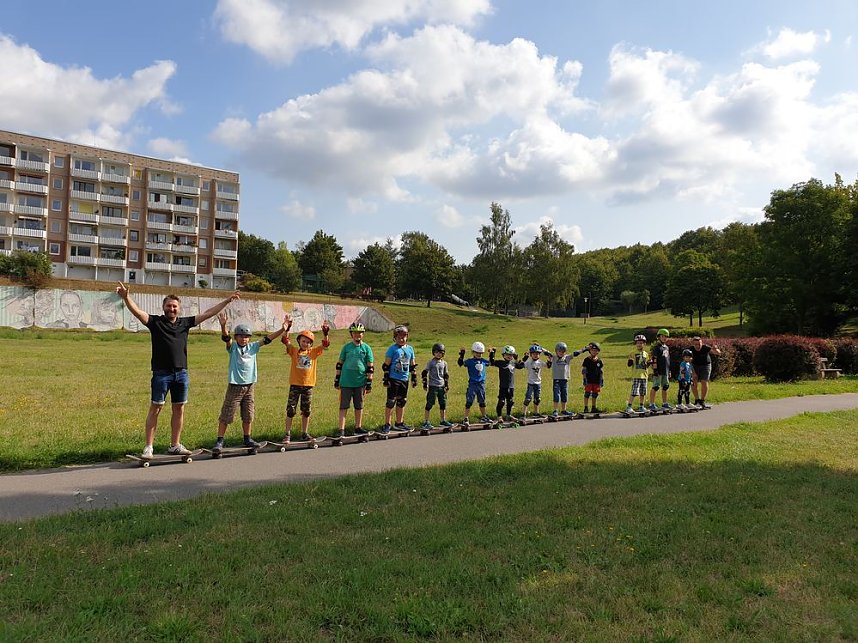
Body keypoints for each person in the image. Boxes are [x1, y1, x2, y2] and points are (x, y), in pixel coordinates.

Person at [115, 281, 239, 457]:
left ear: (178, 309)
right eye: (168, 306)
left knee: (179, 408)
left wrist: (227, 301)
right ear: (163, 307)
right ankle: (149, 447)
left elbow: (208, 313)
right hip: (161, 374)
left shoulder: (184, 323)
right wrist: (127, 298)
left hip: (181, 374)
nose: (171, 309)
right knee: (155, 408)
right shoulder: (155, 322)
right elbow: (137, 312)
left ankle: (175, 444)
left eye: (174, 306)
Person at [212, 313, 287, 453]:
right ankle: (219, 440)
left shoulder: (253, 347)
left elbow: (267, 339)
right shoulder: (233, 347)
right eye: (241, 336)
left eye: (246, 336)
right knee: (227, 414)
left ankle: (247, 438)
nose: (244, 339)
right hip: (235, 386)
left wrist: (282, 329)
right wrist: (223, 326)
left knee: (248, 414)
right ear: (236, 337)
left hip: (250, 385)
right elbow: (226, 339)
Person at [282, 314, 330, 441]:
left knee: (306, 411)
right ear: (299, 341)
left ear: (311, 344)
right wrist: (287, 329)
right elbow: (285, 341)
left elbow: (325, 345)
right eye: (303, 341)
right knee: (291, 410)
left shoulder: (313, 352)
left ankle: (304, 433)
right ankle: (287, 434)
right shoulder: (293, 351)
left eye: (308, 342)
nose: (306, 343)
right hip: (295, 385)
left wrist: (325, 333)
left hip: (308, 385)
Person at [335, 321, 374, 437]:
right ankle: (341, 429)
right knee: (343, 406)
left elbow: (370, 367)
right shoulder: (346, 347)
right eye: (355, 333)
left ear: (363, 334)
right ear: (351, 334)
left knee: (359, 406)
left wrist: (369, 382)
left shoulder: (367, 348)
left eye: (360, 333)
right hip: (346, 382)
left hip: (360, 382)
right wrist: (337, 379)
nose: (358, 335)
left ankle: (358, 427)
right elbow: (339, 364)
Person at [382, 325, 417, 433]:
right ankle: (387, 424)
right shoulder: (392, 349)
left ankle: (399, 423)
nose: (401, 339)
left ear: (407, 337)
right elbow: (386, 365)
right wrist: (386, 378)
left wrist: (414, 378)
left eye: (403, 337)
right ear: (395, 338)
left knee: (402, 401)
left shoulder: (410, 349)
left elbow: (412, 365)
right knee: (391, 402)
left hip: (404, 379)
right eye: (399, 337)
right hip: (394, 378)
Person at [457, 341, 492, 426]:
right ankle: (466, 418)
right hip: (472, 384)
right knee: (469, 401)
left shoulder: (483, 361)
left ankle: (484, 417)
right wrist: (462, 354)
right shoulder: (469, 361)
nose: (479, 355)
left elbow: (491, 363)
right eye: (477, 353)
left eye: (480, 353)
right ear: (473, 352)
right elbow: (460, 364)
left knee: (482, 401)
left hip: (481, 384)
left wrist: (492, 353)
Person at [548, 341, 586, 417]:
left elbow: (575, 353)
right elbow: (546, 352)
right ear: (556, 351)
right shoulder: (554, 357)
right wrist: (540, 348)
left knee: (564, 395)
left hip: (565, 380)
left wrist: (584, 349)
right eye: (560, 351)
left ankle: (564, 410)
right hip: (557, 380)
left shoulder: (567, 357)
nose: (561, 353)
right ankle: (555, 410)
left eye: (563, 351)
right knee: (556, 395)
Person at [489, 345, 525, 421]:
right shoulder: (501, 363)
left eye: (511, 355)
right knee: (501, 401)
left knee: (510, 402)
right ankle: (499, 416)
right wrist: (492, 353)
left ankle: (509, 415)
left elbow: (521, 366)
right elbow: (492, 362)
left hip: (511, 387)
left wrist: (520, 358)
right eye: (507, 354)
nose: (509, 356)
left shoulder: (513, 363)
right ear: (503, 355)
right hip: (503, 386)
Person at [421, 343, 452, 429]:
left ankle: (443, 420)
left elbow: (446, 375)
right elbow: (424, 372)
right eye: (437, 352)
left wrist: (446, 385)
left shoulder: (444, 363)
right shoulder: (431, 362)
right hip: (433, 386)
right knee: (429, 404)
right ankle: (426, 421)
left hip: (441, 386)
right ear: (433, 353)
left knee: (443, 404)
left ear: (443, 353)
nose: (438, 354)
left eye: (441, 352)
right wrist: (424, 383)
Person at [690, 336, 721, 408]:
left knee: (704, 381)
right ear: (693, 344)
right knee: (694, 381)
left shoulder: (705, 348)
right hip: (694, 365)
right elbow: (689, 362)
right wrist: (693, 372)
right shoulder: (690, 350)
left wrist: (715, 349)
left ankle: (702, 400)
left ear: (702, 343)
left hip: (705, 365)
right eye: (696, 344)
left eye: (699, 344)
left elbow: (718, 353)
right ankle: (697, 400)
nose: (698, 346)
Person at [522, 344, 550, 418]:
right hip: (530, 383)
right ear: (531, 354)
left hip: (538, 383)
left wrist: (549, 359)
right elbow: (521, 365)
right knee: (528, 399)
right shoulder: (528, 362)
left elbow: (548, 366)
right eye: (534, 354)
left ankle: (536, 412)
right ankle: (523, 413)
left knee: (537, 399)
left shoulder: (540, 362)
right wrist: (524, 358)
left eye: (537, 354)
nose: (535, 355)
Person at [648, 329, 672, 411]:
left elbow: (668, 360)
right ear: (658, 337)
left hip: (665, 370)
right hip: (658, 370)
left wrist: (669, 371)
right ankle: (651, 404)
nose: (664, 338)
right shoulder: (656, 348)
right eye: (662, 336)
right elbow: (654, 359)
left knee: (665, 386)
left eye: (666, 337)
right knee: (656, 387)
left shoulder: (666, 348)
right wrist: (655, 370)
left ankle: (665, 403)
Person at [625, 334, 650, 414]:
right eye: (638, 343)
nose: (639, 344)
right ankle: (629, 406)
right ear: (636, 344)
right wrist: (630, 362)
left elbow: (647, 364)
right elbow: (629, 364)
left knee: (643, 392)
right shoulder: (633, 353)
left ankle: (641, 406)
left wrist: (649, 363)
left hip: (644, 375)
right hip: (636, 375)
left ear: (644, 344)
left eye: (641, 343)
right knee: (634, 392)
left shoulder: (646, 354)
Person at [581, 342, 604, 413]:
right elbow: (584, 370)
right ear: (590, 351)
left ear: (598, 351)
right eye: (592, 350)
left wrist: (601, 379)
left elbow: (600, 371)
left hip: (596, 380)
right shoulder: (587, 360)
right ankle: (586, 408)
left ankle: (593, 407)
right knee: (587, 393)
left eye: (595, 350)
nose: (594, 352)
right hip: (589, 380)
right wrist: (584, 379)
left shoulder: (599, 361)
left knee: (595, 394)